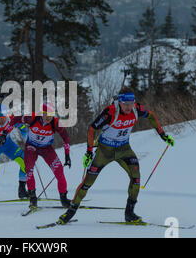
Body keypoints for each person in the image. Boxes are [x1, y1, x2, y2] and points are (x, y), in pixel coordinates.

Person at [58, 87, 175, 224]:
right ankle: (70, 212)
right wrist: (89, 151)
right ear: (119, 102)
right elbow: (92, 128)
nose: (128, 106)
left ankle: (129, 213)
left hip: (124, 149)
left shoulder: (136, 109)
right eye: (125, 103)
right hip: (104, 151)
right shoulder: (110, 112)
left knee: (136, 178)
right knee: (87, 183)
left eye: (131, 102)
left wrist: (162, 134)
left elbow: (151, 115)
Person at [0, 102, 72, 209]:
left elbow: (65, 138)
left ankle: (64, 198)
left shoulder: (56, 122)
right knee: (28, 170)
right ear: (42, 113)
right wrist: (4, 133)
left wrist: (67, 155)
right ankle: (33, 198)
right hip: (31, 148)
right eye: (46, 114)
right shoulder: (32, 117)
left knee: (59, 171)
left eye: (51, 115)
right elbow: (15, 120)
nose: (49, 117)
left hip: (46, 149)